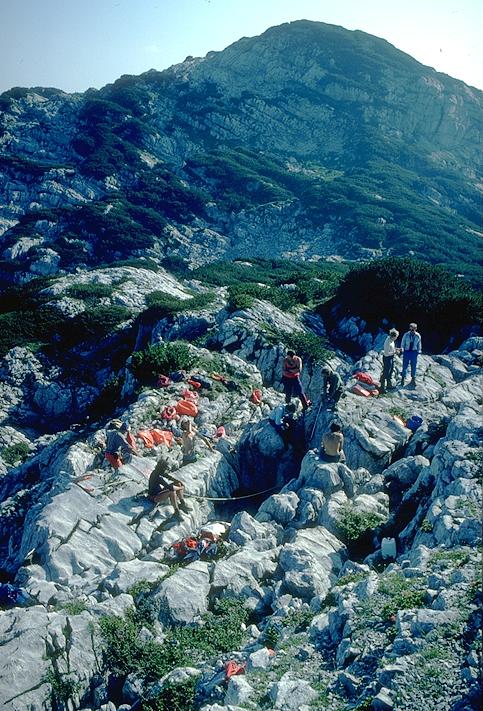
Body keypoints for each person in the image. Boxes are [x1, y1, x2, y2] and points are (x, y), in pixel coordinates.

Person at [148, 454, 190, 519]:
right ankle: (176, 512)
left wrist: (178, 481)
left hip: (159, 492)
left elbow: (167, 476)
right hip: (154, 497)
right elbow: (170, 487)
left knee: (178, 484)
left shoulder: (156, 471)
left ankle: (182, 504)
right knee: (172, 492)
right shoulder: (157, 477)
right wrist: (181, 488)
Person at [380, 328, 400, 393]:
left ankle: (389, 385)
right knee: (386, 372)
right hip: (387, 358)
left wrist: (396, 349)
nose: (396, 338)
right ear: (393, 336)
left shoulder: (391, 340)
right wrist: (394, 352)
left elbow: (391, 349)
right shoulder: (387, 342)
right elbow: (386, 353)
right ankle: (382, 387)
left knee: (390, 371)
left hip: (391, 357)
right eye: (396, 337)